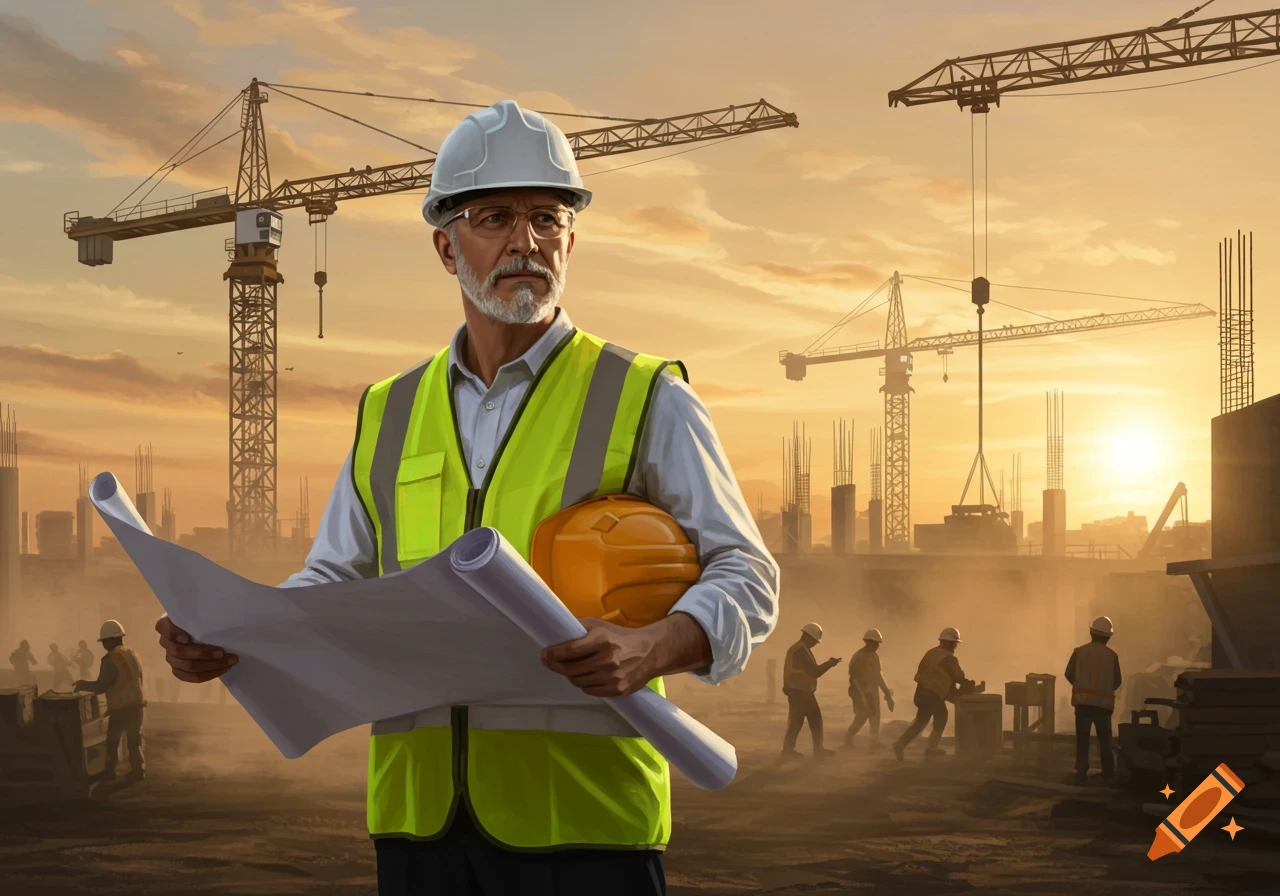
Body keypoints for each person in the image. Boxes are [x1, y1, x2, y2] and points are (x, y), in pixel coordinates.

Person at [154, 99, 779, 896]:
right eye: (495, 218)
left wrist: (652, 646)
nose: (527, 241)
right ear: (446, 248)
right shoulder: (388, 411)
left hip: (583, 823)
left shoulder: (644, 394)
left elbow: (746, 576)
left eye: (547, 219)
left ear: (572, 241)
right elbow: (335, 583)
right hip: (418, 824)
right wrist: (239, 634)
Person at [75, 620, 146, 782]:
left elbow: (100, 686)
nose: (103, 644)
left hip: (121, 707)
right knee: (134, 740)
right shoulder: (132, 654)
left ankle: (109, 772)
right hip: (137, 704)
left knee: (112, 741)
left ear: (112, 639)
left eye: (104, 641)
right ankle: (139, 771)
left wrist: (82, 684)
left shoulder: (110, 659)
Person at [893, 627, 970, 760]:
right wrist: (968, 686)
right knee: (942, 716)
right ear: (949, 643)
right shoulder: (948, 658)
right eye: (955, 643)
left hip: (921, 693)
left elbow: (935, 674)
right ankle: (931, 748)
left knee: (921, 721)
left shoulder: (931, 653)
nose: (955, 646)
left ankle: (900, 744)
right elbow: (958, 677)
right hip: (932, 695)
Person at [1065, 615, 1122, 785]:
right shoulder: (1112, 656)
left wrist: (1081, 683)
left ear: (1091, 632)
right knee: (1104, 739)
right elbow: (1117, 681)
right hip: (1103, 706)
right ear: (1108, 637)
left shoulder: (1079, 652)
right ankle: (1107, 772)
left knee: (1082, 739)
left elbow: (1069, 673)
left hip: (1082, 704)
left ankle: (1081, 772)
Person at [780, 623, 841, 760]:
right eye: (814, 641)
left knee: (797, 721)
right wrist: (830, 664)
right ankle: (815, 750)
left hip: (798, 690)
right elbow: (815, 672)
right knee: (814, 719)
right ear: (808, 637)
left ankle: (788, 750)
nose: (815, 644)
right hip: (799, 691)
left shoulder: (800, 648)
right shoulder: (801, 650)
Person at [845, 628, 894, 749]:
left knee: (875, 717)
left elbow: (878, 676)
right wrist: (862, 696)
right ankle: (847, 738)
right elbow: (854, 678)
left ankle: (874, 742)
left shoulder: (874, 657)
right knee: (862, 717)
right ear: (867, 642)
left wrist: (887, 693)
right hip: (860, 691)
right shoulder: (859, 657)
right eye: (875, 643)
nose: (877, 645)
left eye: (878, 643)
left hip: (872, 691)